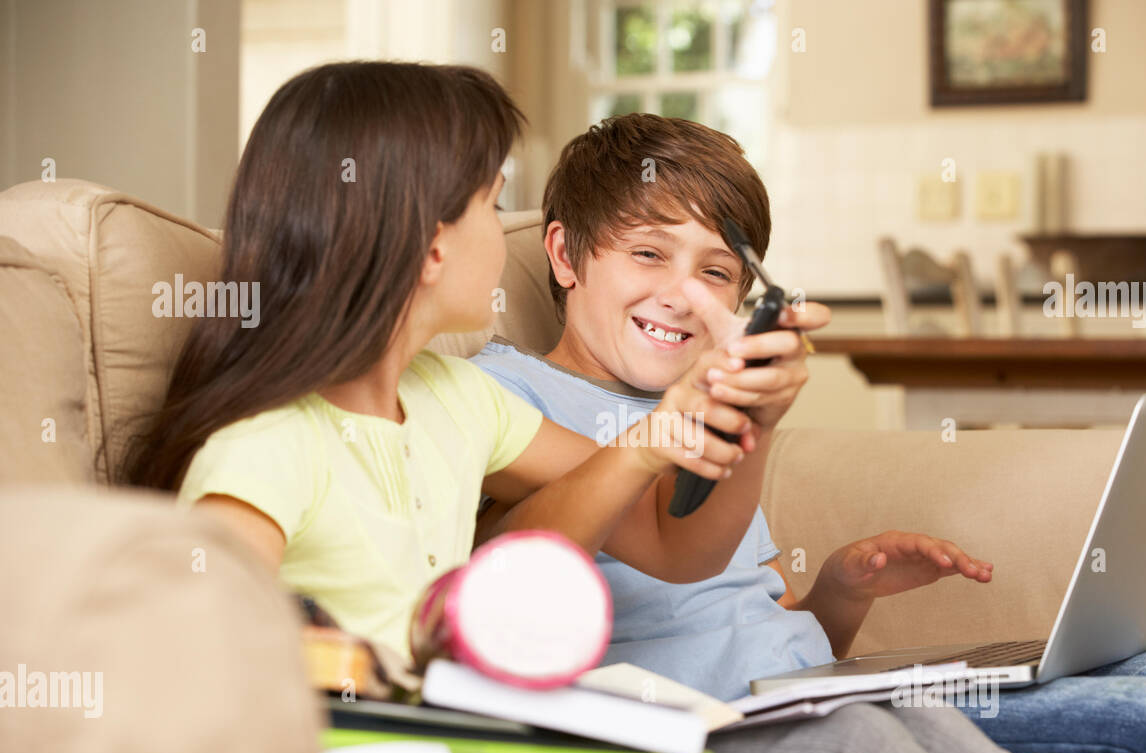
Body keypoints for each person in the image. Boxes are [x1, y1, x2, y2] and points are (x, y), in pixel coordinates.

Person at [471, 111, 1146, 753]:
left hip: (811, 686)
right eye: (648, 253)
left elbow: (759, 625)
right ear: (564, 255)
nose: (683, 293)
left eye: (717, 271)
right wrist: (724, 419)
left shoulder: (701, 399)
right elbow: (607, 545)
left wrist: (835, 592)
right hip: (741, 717)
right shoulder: (512, 398)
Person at [124, 62, 823, 664]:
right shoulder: (264, 452)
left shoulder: (460, 400)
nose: (506, 230)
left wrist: (744, 409)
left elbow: (678, 553)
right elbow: (204, 678)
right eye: (491, 202)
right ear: (432, 249)